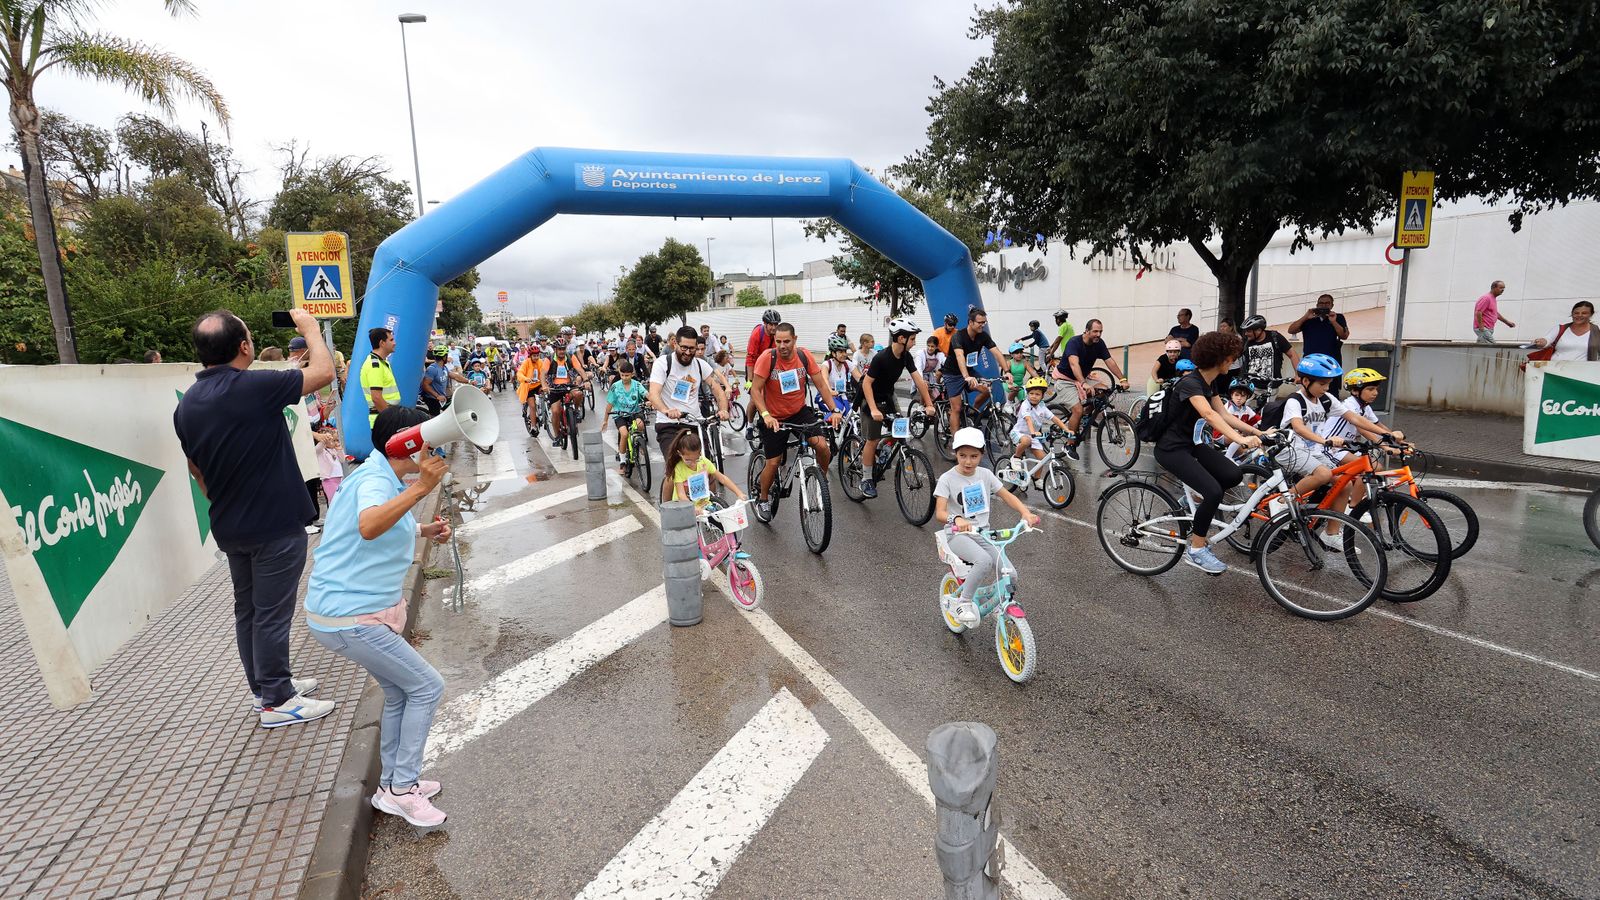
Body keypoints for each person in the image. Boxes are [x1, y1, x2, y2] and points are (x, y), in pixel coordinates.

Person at [174, 307, 335, 727]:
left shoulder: (187, 404)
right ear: (245, 347)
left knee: (248, 610)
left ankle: (264, 688)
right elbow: (323, 372)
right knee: (271, 613)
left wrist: (226, 500)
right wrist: (310, 328)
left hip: (230, 524)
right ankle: (278, 700)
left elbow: (195, 469)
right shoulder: (253, 386)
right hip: (274, 524)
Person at [305, 406, 452, 828]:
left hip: (348, 611)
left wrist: (422, 530)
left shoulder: (379, 475)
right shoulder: (374, 479)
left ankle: (392, 785)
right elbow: (369, 525)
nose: (434, 451)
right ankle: (403, 789)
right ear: (406, 444)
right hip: (350, 617)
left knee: (401, 691)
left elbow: (371, 525)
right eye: (427, 442)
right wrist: (422, 488)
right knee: (427, 686)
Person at [1152, 331, 1263, 575]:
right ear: (1220, 358)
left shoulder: (1208, 382)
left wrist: (1259, 432)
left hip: (1192, 445)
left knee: (1233, 475)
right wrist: (1240, 439)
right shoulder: (1190, 383)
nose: (1233, 361)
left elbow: (1224, 414)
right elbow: (1209, 415)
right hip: (1171, 449)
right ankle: (1197, 549)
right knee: (1213, 491)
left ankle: (1193, 500)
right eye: (1231, 357)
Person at [933, 427, 1041, 627]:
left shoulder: (985, 475)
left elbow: (1006, 495)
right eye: (962, 455)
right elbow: (940, 512)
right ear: (955, 453)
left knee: (1010, 574)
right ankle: (964, 602)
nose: (968, 461)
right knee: (984, 561)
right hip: (958, 535)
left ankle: (998, 603)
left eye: (974, 456)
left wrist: (1025, 513)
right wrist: (956, 519)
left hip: (983, 534)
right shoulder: (948, 479)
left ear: (982, 454)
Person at [750, 323, 842, 518]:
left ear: (795, 339)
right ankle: (763, 498)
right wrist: (765, 415)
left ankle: (821, 479)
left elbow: (821, 385)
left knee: (822, 446)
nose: (782, 346)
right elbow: (755, 390)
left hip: (798, 412)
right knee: (773, 462)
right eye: (778, 341)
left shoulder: (803, 356)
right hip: (773, 416)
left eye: (786, 341)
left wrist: (834, 409)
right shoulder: (767, 358)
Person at [1273, 353, 1352, 549]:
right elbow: (1298, 428)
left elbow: (1354, 418)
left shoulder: (1325, 400)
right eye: (1322, 384)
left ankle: (1331, 533)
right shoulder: (1295, 401)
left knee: (1344, 484)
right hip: (1290, 449)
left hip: (1312, 451)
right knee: (1324, 474)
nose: (1327, 388)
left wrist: (1385, 435)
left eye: (1329, 384)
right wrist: (1325, 441)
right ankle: (1282, 501)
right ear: (1306, 381)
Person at [649, 326, 730, 498]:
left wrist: (723, 409)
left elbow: (717, 389)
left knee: (707, 468)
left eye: (691, 348)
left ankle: (711, 508)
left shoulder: (700, 365)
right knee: (674, 469)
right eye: (683, 347)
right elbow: (654, 393)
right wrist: (666, 410)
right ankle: (667, 509)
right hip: (669, 424)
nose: (687, 352)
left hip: (695, 424)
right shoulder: (663, 364)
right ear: (675, 344)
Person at [858, 317, 935, 498]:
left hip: (888, 396)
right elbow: (866, 384)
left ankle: (883, 450)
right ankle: (866, 479)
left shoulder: (906, 356)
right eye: (912, 338)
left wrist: (929, 405)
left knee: (900, 430)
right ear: (901, 338)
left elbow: (919, 381)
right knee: (872, 439)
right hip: (871, 398)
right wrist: (874, 409)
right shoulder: (881, 358)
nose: (914, 342)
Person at [1054, 318, 1130, 460]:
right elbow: (1074, 364)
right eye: (1095, 331)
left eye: (1100, 331)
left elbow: (1109, 361)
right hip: (1065, 379)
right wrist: (1083, 383)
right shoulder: (1074, 343)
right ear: (1087, 331)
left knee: (1103, 391)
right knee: (1077, 410)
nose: (1098, 334)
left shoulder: (1099, 343)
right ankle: (1069, 444)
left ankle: (1085, 416)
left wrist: (1122, 379)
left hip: (1083, 377)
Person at [941, 306, 999, 436]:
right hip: (953, 374)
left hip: (969, 372)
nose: (982, 325)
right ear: (971, 322)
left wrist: (1007, 371)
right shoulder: (958, 336)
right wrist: (966, 376)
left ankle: (973, 412)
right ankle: (956, 441)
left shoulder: (983, 336)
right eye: (980, 322)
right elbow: (959, 356)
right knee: (956, 408)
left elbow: (996, 352)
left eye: (984, 322)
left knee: (987, 389)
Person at [1007, 377, 1069, 481]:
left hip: (1033, 435)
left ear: (1042, 396)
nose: (1034, 396)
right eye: (1031, 393)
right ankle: (1016, 457)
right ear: (1027, 394)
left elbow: (1054, 418)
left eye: (1037, 394)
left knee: (1042, 458)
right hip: (1019, 433)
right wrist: (1033, 432)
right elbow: (1028, 419)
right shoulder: (1025, 405)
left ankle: (1036, 479)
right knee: (1026, 441)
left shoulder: (1042, 407)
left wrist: (1067, 430)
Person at [664, 429, 745, 509]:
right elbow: (681, 494)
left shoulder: (704, 462)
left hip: (703, 504)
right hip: (684, 506)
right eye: (688, 460)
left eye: (696, 459)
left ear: (700, 453)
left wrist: (739, 493)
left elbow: (722, 479)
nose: (693, 463)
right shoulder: (679, 468)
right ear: (680, 454)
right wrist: (693, 508)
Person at [542, 342, 586, 449]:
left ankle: (575, 411)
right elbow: (543, 373)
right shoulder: (549, 359)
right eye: (559, 349)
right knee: (555, 411)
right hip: (554, 388)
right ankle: (557, 436)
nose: (562, 351)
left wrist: (586, 380)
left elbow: (580, 369)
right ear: (555, 350)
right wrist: (544, 386)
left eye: (563, 349)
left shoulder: (570, 357)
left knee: (579, 393)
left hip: (569, 386)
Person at [1240, 314, 1298, 391]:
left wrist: (1298, 374)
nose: (1246, 334)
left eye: (1249, 331)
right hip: (1251, 387)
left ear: (1258, 330)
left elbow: (1292, 354)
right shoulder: (1247, 342)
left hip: (1271, 388)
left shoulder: (1275, 337)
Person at [1531, 300, 1599, 361]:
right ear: (1572, 314)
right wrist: (1541, 341)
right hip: (1554, 368)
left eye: (1584, 313)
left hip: (1583, 370)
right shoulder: (1560, 329)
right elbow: (1547, 339)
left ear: (1591, 314)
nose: (1579, 315)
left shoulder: (1597, 332)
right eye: (1576, 313)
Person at [1288, 294, 1350, 361]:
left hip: (1331, 359)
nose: (1324, 305)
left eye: (1327, 303)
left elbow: (1344, 336)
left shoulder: (1338, 317)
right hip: (1310, 359)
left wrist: (1334, 322)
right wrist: (1305, 317)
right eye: (1321, 303)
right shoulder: (1309, 318)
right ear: (1317, 305)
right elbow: (1291, 330)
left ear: (1332, 305)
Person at [360, 327, 401, 425]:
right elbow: (376, 397)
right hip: (384, 419)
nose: (394, 343)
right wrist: (390, 419)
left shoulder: (381, 362)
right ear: (382, 343)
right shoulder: (375, 365)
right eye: (391, 340)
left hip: (384, 416)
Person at [744, 309, 781, 382]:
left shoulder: (778, 334)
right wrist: (750, 380)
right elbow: (750, 357)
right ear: (765, 323)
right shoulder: (757, 334)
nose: (774, 328)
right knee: (756, 388)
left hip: (769, 365)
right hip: (755, 365)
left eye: (776, 324)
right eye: (771, 324)